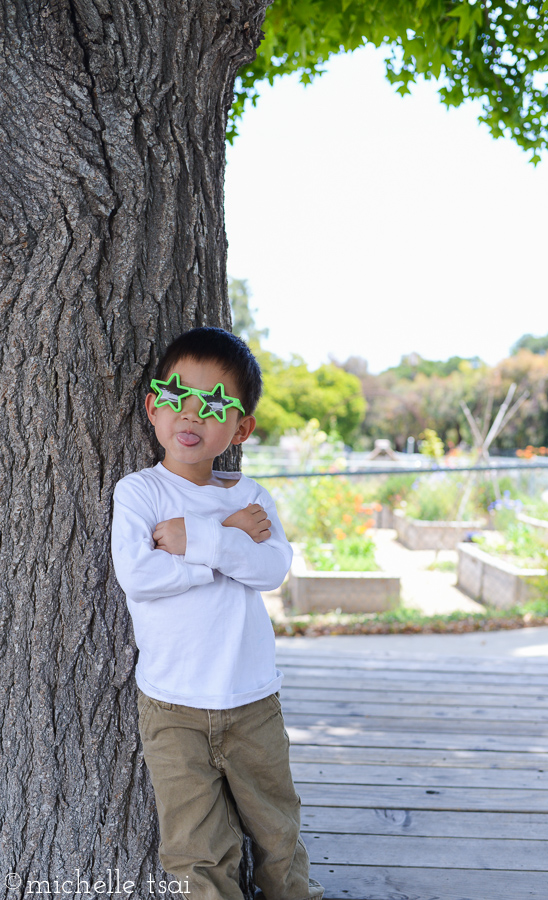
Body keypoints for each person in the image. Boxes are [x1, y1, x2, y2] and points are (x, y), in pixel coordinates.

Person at [111, 327, 324, 900]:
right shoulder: (140, 494)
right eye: (177, 396)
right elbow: (140, 577)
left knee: (277, 831)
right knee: (196, 849)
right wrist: (224, 542)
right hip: (173, 706)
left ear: (241, 427)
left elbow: (269, 569)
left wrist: (197, 539)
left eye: (214, 405)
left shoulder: (248, 496)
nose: (192, 414)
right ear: (153, 407)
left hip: (251, 699)